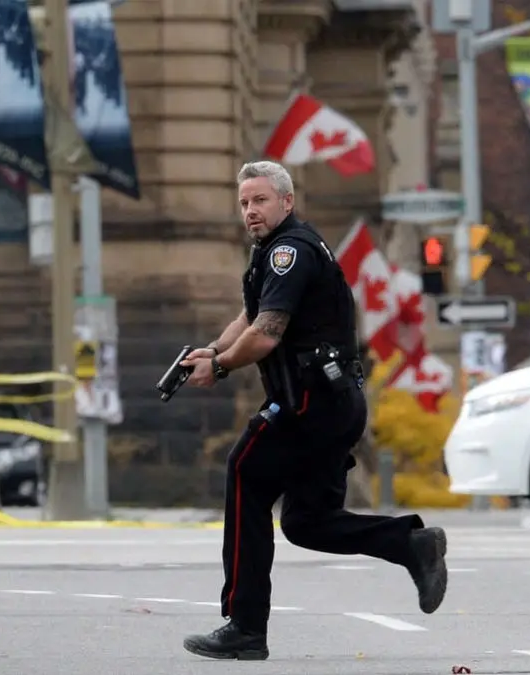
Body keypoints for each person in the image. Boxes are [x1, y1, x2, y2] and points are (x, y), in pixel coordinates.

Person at [177, 161, 448, 661]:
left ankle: (244, 627)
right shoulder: (273, 253)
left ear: (286, 201)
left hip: (307, 405)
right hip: (330, 404)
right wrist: (211, 351)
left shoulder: (288, 253)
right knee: (307, 522)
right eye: (243, 203)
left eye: (259, 200)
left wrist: (219, 368)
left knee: (245, 473)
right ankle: (412, 544)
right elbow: (248, 317)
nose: (250, 211)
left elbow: (266, 333)